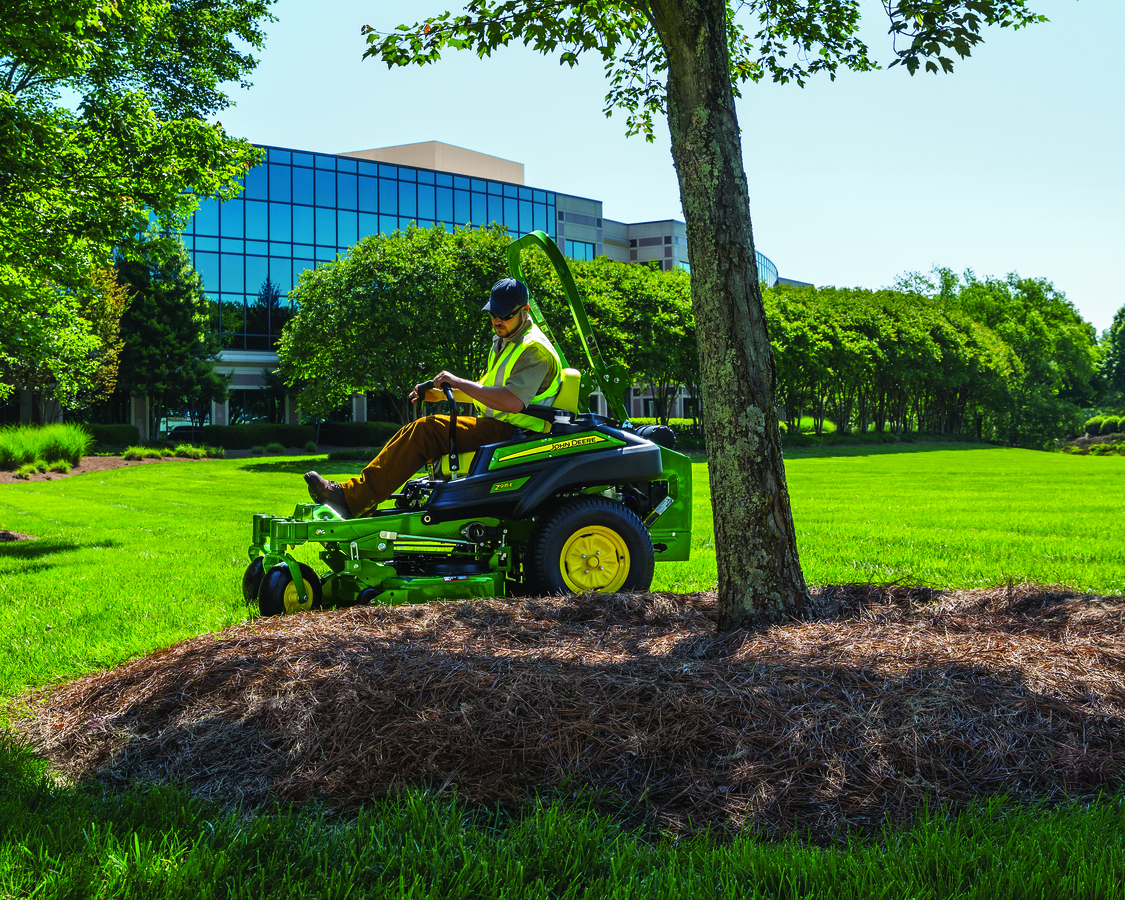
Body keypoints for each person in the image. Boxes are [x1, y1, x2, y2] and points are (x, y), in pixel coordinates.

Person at [303, 277, 562, 519]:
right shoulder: (507, 341)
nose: (497, 320)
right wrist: (441, 395)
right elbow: (487, 392)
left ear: (525, 310)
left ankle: (353, 499)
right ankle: (360, 496)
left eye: (505, 315)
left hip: (520, 434)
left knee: (428, 431)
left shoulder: (533, 349)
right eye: (493, 313)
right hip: (501, 427)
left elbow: (512, 402)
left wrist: (457, 381)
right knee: (419, 428)